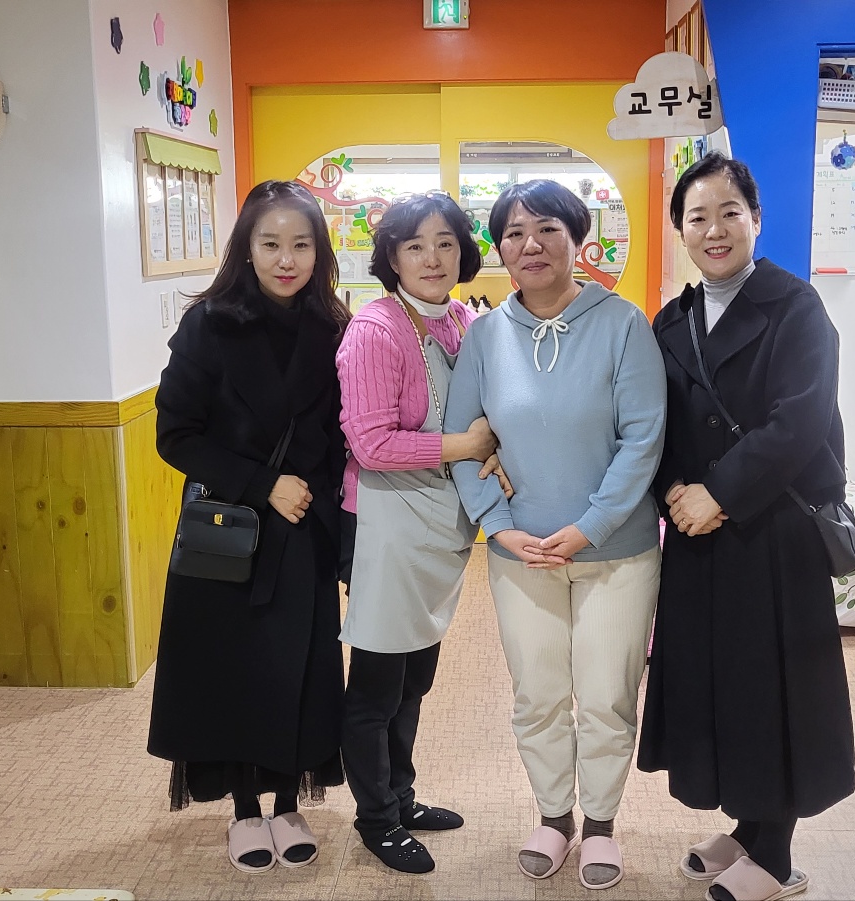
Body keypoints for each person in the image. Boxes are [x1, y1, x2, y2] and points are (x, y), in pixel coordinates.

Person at [637, 152, 855, 901]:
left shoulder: (796, 308)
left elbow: (799, 421)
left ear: (756, 219)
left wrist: (720, 493)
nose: (715, 229)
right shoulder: (672, 320)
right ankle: (748, 825)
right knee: (721, 683)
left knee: (774, 687)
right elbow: (655, 421)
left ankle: (778, 852)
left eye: (730, 212)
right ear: (680, 230)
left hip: (772, 531)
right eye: (697, 217)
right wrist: (672, 487)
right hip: (697, 535)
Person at [445, 179, 666, 891]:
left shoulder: (623, 323)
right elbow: (466, 442)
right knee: (537, 693)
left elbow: (643, 439)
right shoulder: (484, 336)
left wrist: (590, 526)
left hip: (616, 550)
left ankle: (600, 825)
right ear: (499, 248)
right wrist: (498, 527)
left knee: (605, 695)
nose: (529, 245)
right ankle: (553, 816)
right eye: (513, 232)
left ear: (578, 239)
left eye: (546, 228)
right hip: (520, 554)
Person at [147, 180, 351, 876]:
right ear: (246, 248)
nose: (286, 259)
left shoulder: (335, 326)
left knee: (300, 667)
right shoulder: (209, 323)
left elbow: (342, 433)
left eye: (301, 245)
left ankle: (288, 801)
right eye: (270, 244)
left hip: (306, 528)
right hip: (232, 530)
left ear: (319, 252)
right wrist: (264, 484)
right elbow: (175, 434)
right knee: (231, 668)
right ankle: (242, 808)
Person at [334, 191, 497, 874]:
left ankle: (401, 796)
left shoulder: (462, 320)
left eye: (445, 243)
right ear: (391, 257)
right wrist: (467, 446)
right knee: (377, 684)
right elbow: (371, 444)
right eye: (414, 245)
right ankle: (376, 818)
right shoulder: (375, 330)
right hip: (383, 524)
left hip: (437, 525)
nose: (432, 258)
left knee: (415, 679)